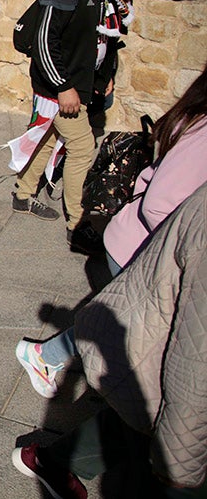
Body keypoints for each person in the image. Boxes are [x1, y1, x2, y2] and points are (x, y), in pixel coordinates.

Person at [15, 61, 207, 400]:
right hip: (143, 247)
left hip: (140, 244)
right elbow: (159, 203)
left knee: (122, 320)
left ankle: (54, 359)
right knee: (127, 325)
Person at [12, 181, 207, 499]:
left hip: (146, 335)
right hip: (143, 306)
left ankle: (52, 459)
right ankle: (44, 357)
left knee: (139, 414)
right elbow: (194, 367)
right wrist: (180, 474)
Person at [12, 0, 123, 255]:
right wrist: (63, 86)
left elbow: (99, 37)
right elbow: (45, 38)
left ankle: (22, 193)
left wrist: (103, 77)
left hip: (78, 86)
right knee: (82, 148)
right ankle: (77, 225)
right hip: (60, 87)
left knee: (49, 138)